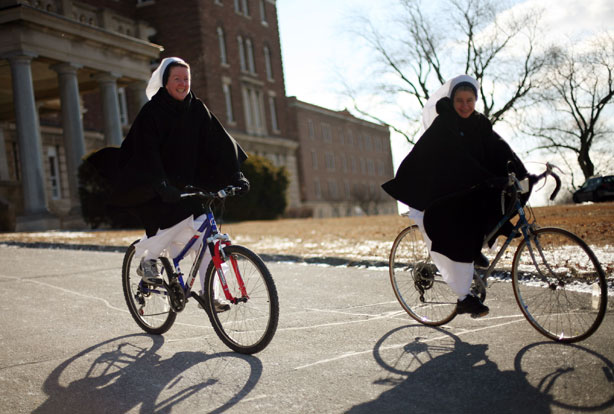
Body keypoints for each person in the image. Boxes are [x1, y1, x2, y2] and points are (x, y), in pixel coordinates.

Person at [86, 57, 249, 311]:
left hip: (188, 186)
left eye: (187, 79)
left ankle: (210, 295)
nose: (183, 84)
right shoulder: (153, 112)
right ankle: (148, 260)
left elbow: (220, 142)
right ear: (165, 82)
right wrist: (160, 184)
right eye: (177, 79)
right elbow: (145, 152)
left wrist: (235, 175)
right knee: (169, 225)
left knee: (207, 244)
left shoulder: (196, 108)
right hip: (157, 187)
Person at [382, 75, 528, 318]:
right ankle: (464, 298)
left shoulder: (479, 123)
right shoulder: (444, 125)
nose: (464, 105)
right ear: (452, 100)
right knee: (455, 229)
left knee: (495, 199)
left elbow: (501, 150)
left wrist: (523, 174)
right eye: (459, 100)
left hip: (466, 190)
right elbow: (459, 161)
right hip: (438, 194)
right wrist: (484, 177)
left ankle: (474, 249)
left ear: (475, 101)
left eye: (469, 100)